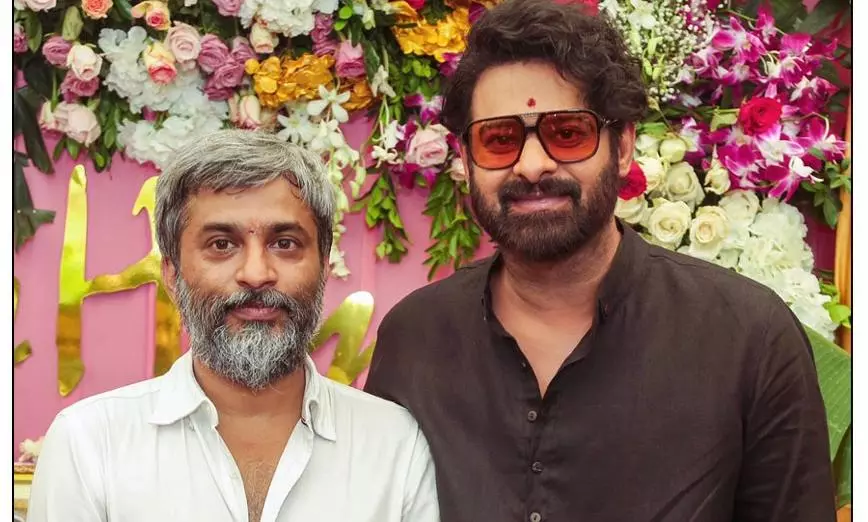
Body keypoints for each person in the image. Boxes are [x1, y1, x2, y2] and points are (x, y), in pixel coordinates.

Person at [364, 1, 836, 521]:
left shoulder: (749, 338)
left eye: (567, 133)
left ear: (624, 147)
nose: (532, 165)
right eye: (499, 140)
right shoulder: (415, 340)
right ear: (467, 160)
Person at [28, 130, 439, 522]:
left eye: (284, 243)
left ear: (324, 267)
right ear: (171, 274)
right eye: (221, 244)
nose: (256, 274)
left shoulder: (394, 444)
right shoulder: (90, 444)